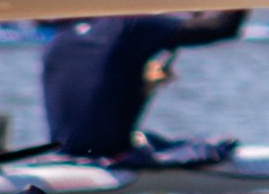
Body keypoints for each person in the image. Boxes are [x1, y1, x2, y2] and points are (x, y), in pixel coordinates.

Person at [41, 11, 246, 164]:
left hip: (64, 154)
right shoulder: (131, 26)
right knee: (222, 146)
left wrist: (143, 82)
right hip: (111, 157)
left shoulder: (64, 31)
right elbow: (223, 28)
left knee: (148, 138)